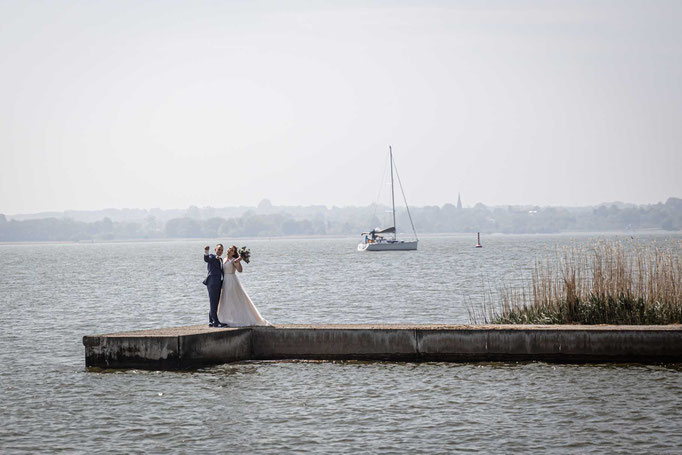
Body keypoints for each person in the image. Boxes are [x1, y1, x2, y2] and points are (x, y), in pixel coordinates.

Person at [217, 245, 270, 327]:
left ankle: (235, 319)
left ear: (234, 253)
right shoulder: (223, 259)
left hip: (231, 281)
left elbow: (240, 270)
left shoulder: (234, 260)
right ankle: (224, 319)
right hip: (224, 281)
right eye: (229, 249)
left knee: (233, 300)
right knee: (225, 300)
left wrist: (238, 261)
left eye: (231, 250)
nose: (229, 250)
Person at [203, 244, 227, 328]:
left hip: (219, 283)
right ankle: (216, 322)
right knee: (213, 302)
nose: (220, 251)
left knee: (215, 302)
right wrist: (206, 251)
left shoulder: (220, 259)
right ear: (215, 249)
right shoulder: (212, 257)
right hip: (212, 283)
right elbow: (206, 259)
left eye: (221, 250)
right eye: (219, 249)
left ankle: (211, 321)